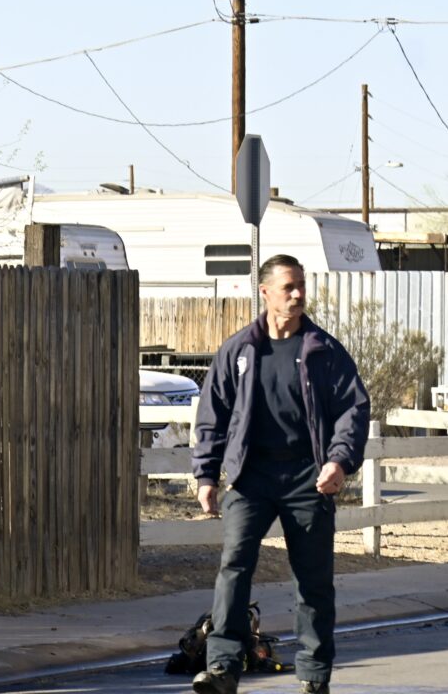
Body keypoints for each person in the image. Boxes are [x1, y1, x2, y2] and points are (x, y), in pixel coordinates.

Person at [191, 254, 370, 694]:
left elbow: (353, 410)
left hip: (308, 477)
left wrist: (338, 461)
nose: (298, 294)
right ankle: (222, 668)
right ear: (265, 292)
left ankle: (313, 676)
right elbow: (213, 416)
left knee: (313, 580)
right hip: (250, 477)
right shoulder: (239, 350)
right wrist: (206, 476)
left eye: (301, 286)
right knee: (234, 566)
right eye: (289, 286)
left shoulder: (323, 351)